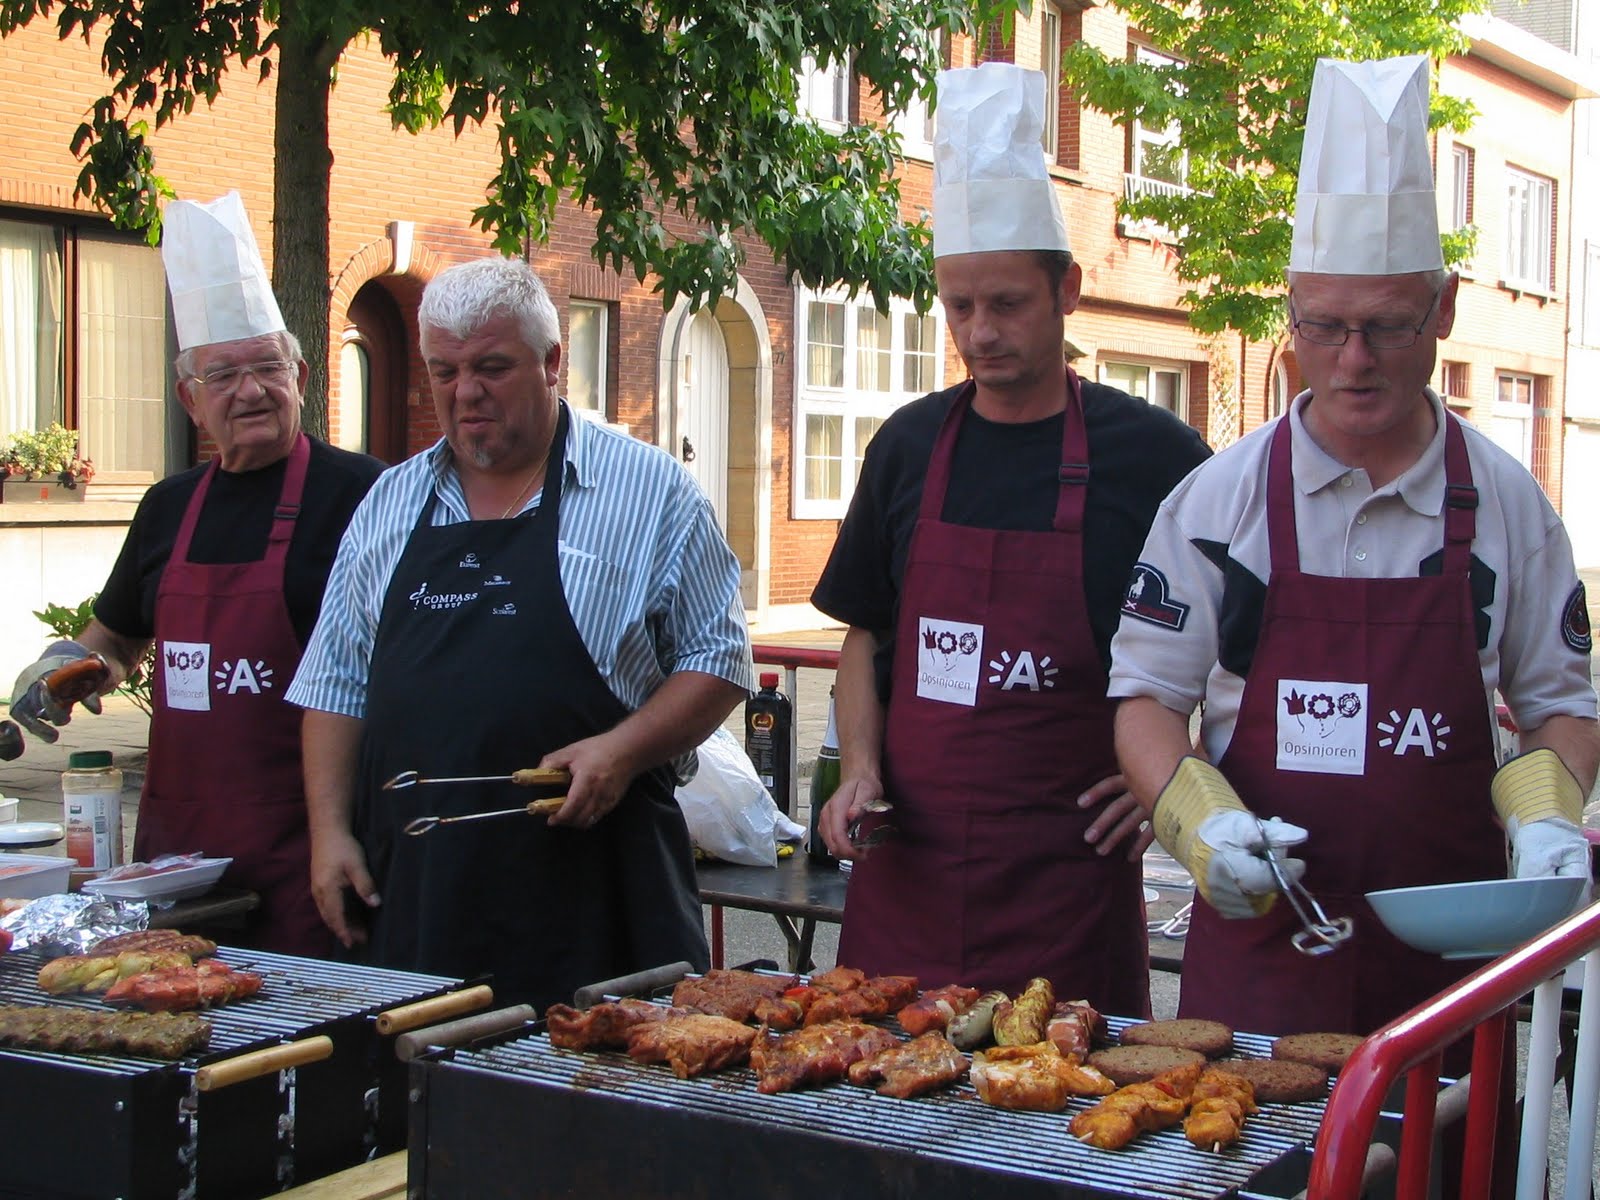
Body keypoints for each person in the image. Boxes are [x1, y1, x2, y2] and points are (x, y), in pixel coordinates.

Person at [1109, 55, 1599, 1040]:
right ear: (1289, 307)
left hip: (1454, 973)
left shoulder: (1507, 505)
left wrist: (1548, 816)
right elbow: (1147, 702)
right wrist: (1200, 825)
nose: (1353, 360)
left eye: (1384, 326)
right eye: (1323, 325)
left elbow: (1559, 706)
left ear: (1444, 311)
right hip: (1260, 965)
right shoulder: (1217, 500)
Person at [810, 62, 1211, 1012]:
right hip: (907, 869)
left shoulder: (1156, 456)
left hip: (1065, 892)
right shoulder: (910, 446)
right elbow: (867, 631)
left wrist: (1172, 772)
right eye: (958, 305)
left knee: (1063, 1130)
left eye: (1007, 305)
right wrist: (859, 771)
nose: (979, 333)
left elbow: (1241, 643)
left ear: (1067, 289)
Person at [286, 255, 753, 1009]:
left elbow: (720, 658)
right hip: (420, 897)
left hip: (598, 897)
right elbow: (336, 682)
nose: (465, 393)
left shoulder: (651, 491)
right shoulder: (387, 504)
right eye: (444, 371)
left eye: (492, 368)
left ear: (553, 363)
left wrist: (622, 751)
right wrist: (330, 833)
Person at [7, 191, 384, 956]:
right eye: (223, 375)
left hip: (312, 846)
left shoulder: (368, 495)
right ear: (190, 398)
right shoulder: (167, 506)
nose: (250, 390)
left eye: (266, 367)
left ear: (301, 375)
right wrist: (63, 668)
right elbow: (113, 638)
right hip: (175, 857)